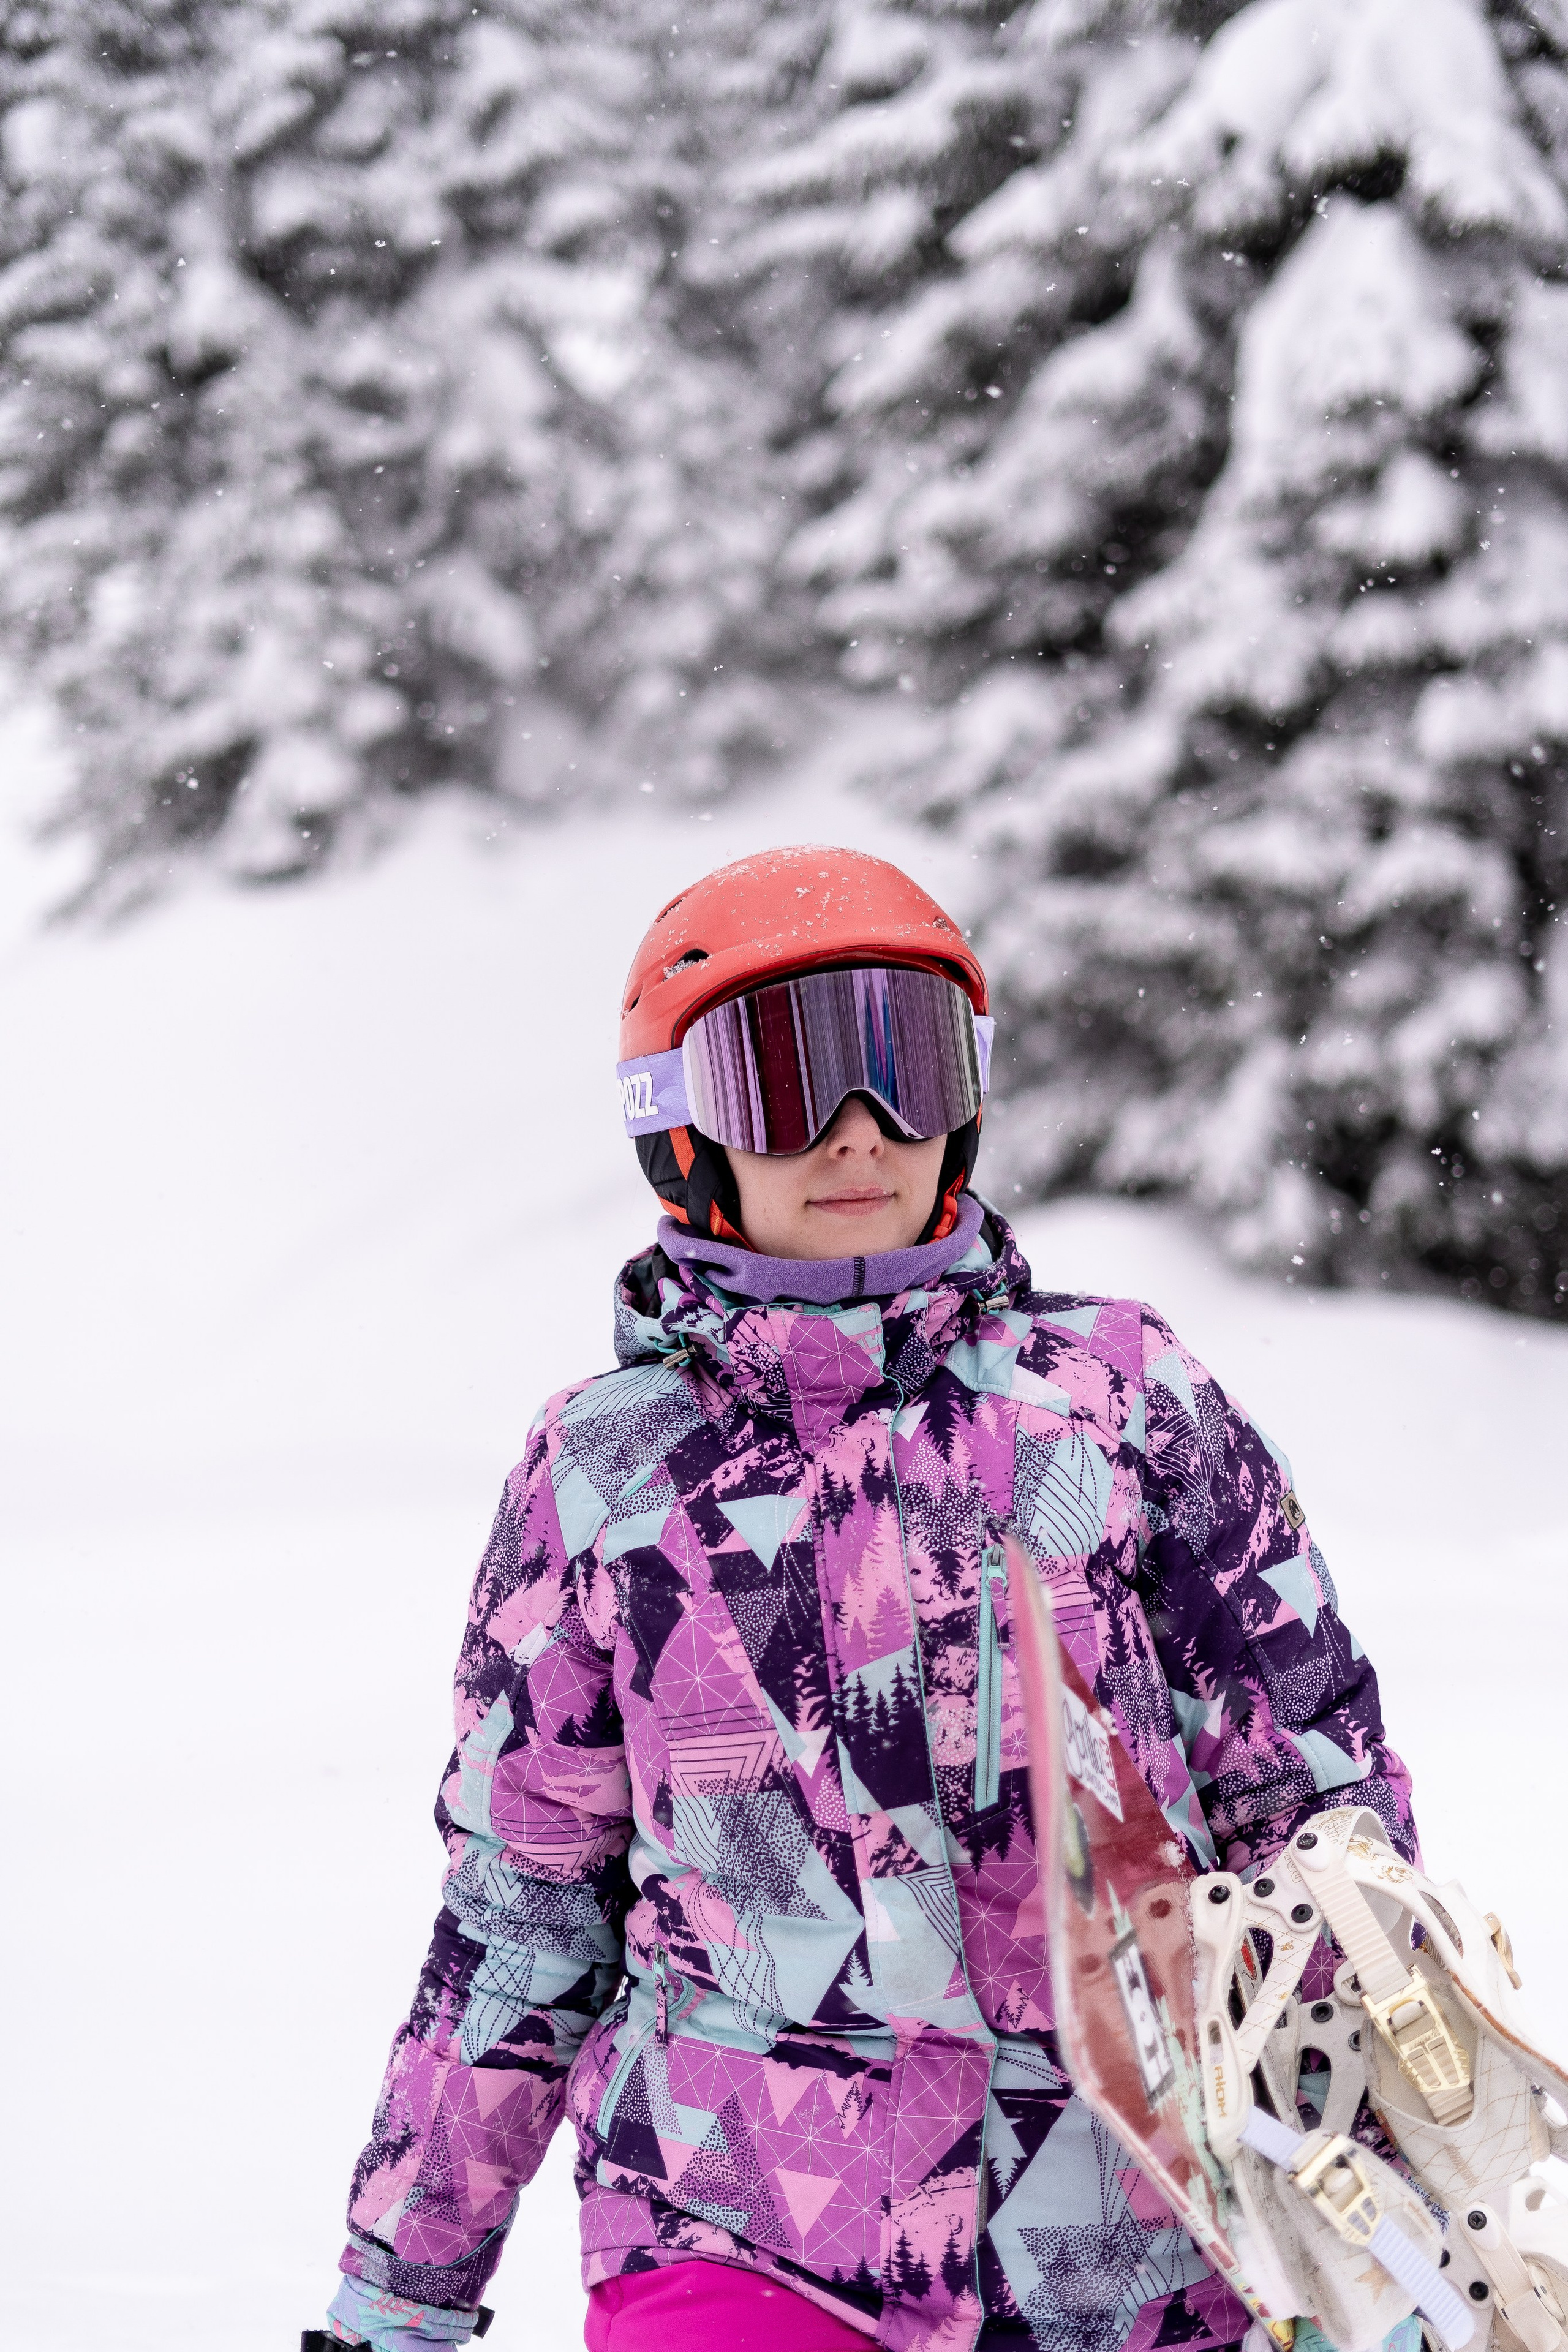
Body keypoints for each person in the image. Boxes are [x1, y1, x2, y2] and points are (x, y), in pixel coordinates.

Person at [309, 845, 1414, 2352]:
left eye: (904, 1064)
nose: (858, 1133)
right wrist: (398, 2286)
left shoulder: (1113, 1398)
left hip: (1132, 2237)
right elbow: (525, 1912)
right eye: (787, 1081)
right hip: (739, 2217)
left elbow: (1311, 1813)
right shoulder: (606, 1474)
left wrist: (1388, 2195)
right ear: (681, 1127)